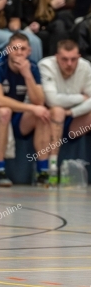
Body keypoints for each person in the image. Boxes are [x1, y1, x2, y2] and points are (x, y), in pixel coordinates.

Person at [0, 32, 51, 187]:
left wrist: (27, 75)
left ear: (29, 51)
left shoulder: (32, 67)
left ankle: (42, 172)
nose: (19, 52)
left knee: (42, 113)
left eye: (23, 49)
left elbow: (39, 100)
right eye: (15, 48)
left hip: (18, 116)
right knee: (4, 111)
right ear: (7, 50)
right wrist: (31, 108)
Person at [38, 40, 91, 183]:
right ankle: (52, 166)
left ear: (79, 57)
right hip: (51, 118)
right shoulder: (45, 65)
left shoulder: (85, 66)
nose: (69, 64)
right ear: (56, 57)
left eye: (73, 59)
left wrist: (72, 112)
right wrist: (81, 97)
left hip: (75, 119)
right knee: (57, 110)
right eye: (64, 59)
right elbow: (52, 100)